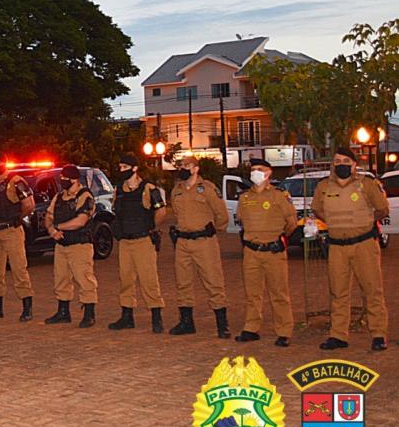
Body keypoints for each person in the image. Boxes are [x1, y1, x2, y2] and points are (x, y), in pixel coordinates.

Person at [312, 148, 390, 351]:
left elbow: (382, 209)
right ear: (332, 164)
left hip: (364, 245)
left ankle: (378, 334)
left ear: (355, 164)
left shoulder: (366, 185)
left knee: (372, 290)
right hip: (337, 246)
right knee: (338, 292)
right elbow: (318, 210)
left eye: (346, 160)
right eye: (337, 161)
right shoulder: (323, 187)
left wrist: (361, 224)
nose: (341, 164)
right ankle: (338, 336)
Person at [234, 158, 297, 347]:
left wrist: (281, 239)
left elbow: (291, 222)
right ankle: (251, 328)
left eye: (259, 169)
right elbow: (242, 221)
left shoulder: (279, 196)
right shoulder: (245, 198)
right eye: (253, 169)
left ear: (268, 173)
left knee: (279, 293)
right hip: (252, 252)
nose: (255, 173)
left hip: (273, 251)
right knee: (252, 293)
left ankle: (284, 331)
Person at [167, 155, 231, 338]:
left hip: (204, 242)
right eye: (182, 165)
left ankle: (222, 323)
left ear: (196, 168)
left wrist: (212, 230)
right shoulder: (176, 190)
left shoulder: (208, 189)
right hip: (182, 242)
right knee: (183, 282)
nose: (184, 168)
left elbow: (222, 215)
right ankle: (186, 322)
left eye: (187, 165)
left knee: (213, 281)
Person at [109, 154, 167, 333]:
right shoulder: (119, 189)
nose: (121, 171)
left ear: (134, 168)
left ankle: (156, 317)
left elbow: (161, 212)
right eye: (120, 167)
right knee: (126, 279)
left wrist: (150, 227)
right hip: (125, 242)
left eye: (124, 167)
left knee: (149, 280)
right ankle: (127, 316)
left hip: (143, 240)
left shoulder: (148, 188)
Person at [0, 152, 35, 321]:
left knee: (19, 269)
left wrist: (17, 218)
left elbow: (29, 205)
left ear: (6, 163)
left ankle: (27, 307)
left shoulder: (16, 181)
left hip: (11, 230)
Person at [43, 164, 98, 328]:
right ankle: (63, 312)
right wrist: (52, 230)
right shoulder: (59, 197)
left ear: (74, 179)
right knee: (61, 279)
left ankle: (89, 314)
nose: (62, 181)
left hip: (79, 245)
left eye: (65, 179)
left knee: (84, 279)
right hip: (62, 246)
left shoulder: (85, 196)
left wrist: (59, 227)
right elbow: (48, 216)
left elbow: (81, 221)